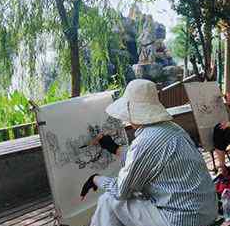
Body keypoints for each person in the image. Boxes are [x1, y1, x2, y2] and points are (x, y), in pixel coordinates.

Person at [82, 79, 218, 226]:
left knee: (108, 200)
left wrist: (95, 179)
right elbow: (146, 159)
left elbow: (120, 190)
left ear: (131, 111)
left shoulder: (144, 141)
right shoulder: (173, 128)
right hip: (206, 212)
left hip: (182, 220)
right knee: (137, 194)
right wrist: (114, 148)